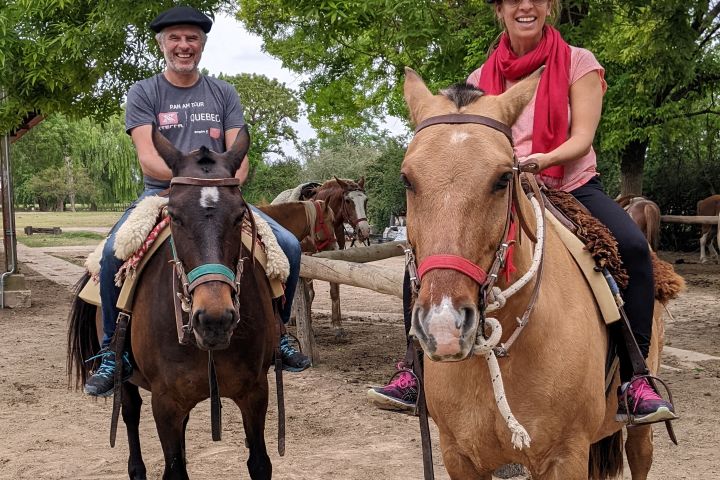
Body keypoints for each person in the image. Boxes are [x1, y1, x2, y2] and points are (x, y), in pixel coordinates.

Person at [370, 0, 676, 425]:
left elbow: (583, 137)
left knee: (632, 249)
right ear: (500, 10)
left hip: (571, 184)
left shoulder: (578, 62)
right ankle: (414, 371)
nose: (525, 5)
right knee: (424, 266)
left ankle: (634, 379)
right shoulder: (480, 78)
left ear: (549, 6)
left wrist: (541, 158)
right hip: (500, 187)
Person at [84, 6, 309, 397]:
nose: (183, 46)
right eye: (175, 38)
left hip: (220, 197)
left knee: (288, 246)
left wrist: (223, 184)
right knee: (110, 255)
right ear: (162, 44)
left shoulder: (223, 93)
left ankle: (281, 333)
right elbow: (147, 156)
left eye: (192, 39)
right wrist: (186, 184)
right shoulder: (144, 92)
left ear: (202, 44)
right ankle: (111, 353)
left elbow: (240, 159)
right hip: (163, 194)